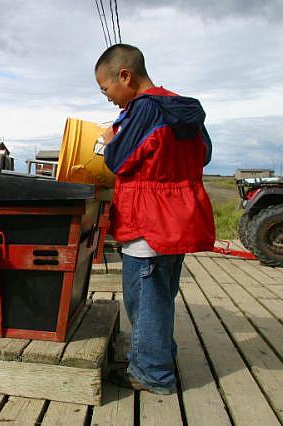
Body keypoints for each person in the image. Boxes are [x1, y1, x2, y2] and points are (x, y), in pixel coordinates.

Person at [94, 44, 216, 394]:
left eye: (106, 88)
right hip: (177, 220)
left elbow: (119, 160)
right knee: (159, 295)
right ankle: (158, 357)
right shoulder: (181, 107)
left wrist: (108, 140)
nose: (108, 97)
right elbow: (204, 155)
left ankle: (151, 374)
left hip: (148, 224)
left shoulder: (144, 109)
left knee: (144, 300)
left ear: (125, 76)